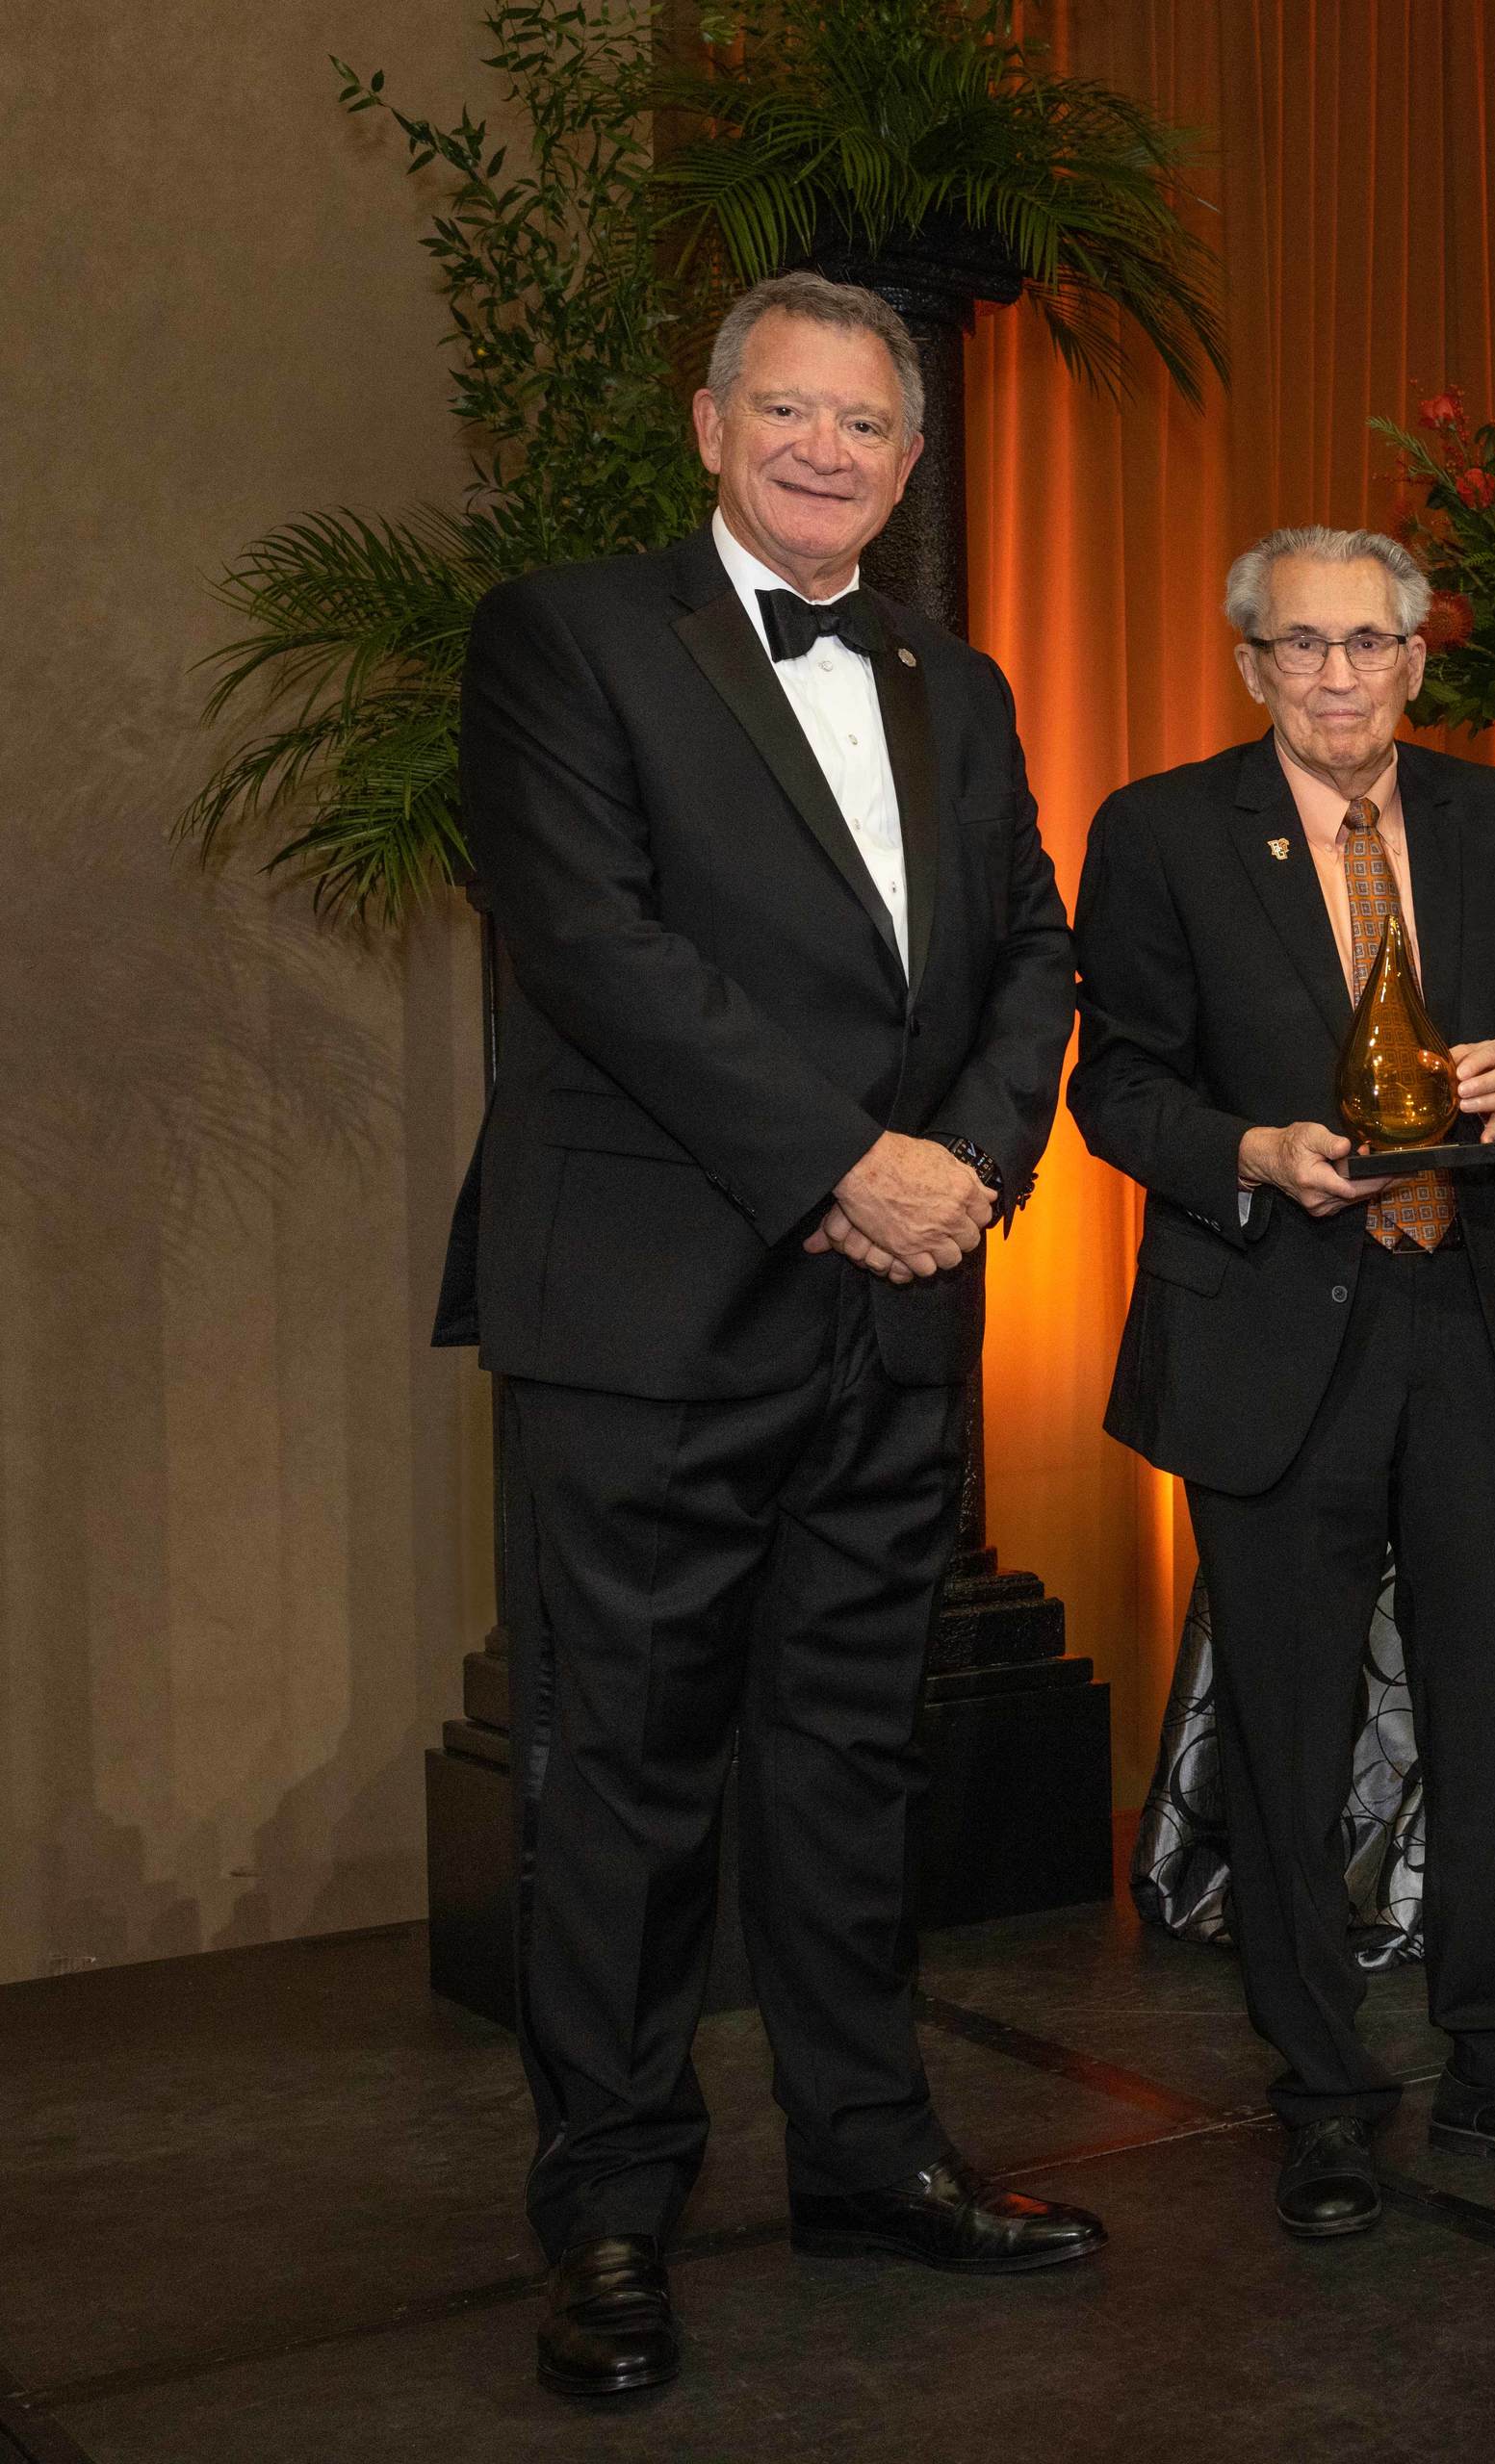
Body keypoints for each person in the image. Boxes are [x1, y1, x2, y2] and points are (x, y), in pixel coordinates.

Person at [442, 270, 1097, 2401]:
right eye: (788, 411)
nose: (827, 449)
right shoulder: (566, 636)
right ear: (711, 425)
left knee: (851, 1757)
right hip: (653, 1307)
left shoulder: (954, 677)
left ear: (906, 469)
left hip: (893, 1307)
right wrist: (842, 1163)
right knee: (622, 1780)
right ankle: (610, 2212)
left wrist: (967, 1167)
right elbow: (591, 945)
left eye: (866, 424)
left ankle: (869, 2154)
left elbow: (1030, 947)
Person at [1067, 525, 1495, 2242]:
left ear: (1415, 658)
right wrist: (1250, 1151)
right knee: (1288, 1733)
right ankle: (1321, 2092)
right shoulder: (1160, 831)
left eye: (1369, 643)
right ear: (1249, 665)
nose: (1338, 676)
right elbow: (1117, 1085)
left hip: (1469, 1316)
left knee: (1485, 1714)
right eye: (1302, 645)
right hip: (1271, 1325)